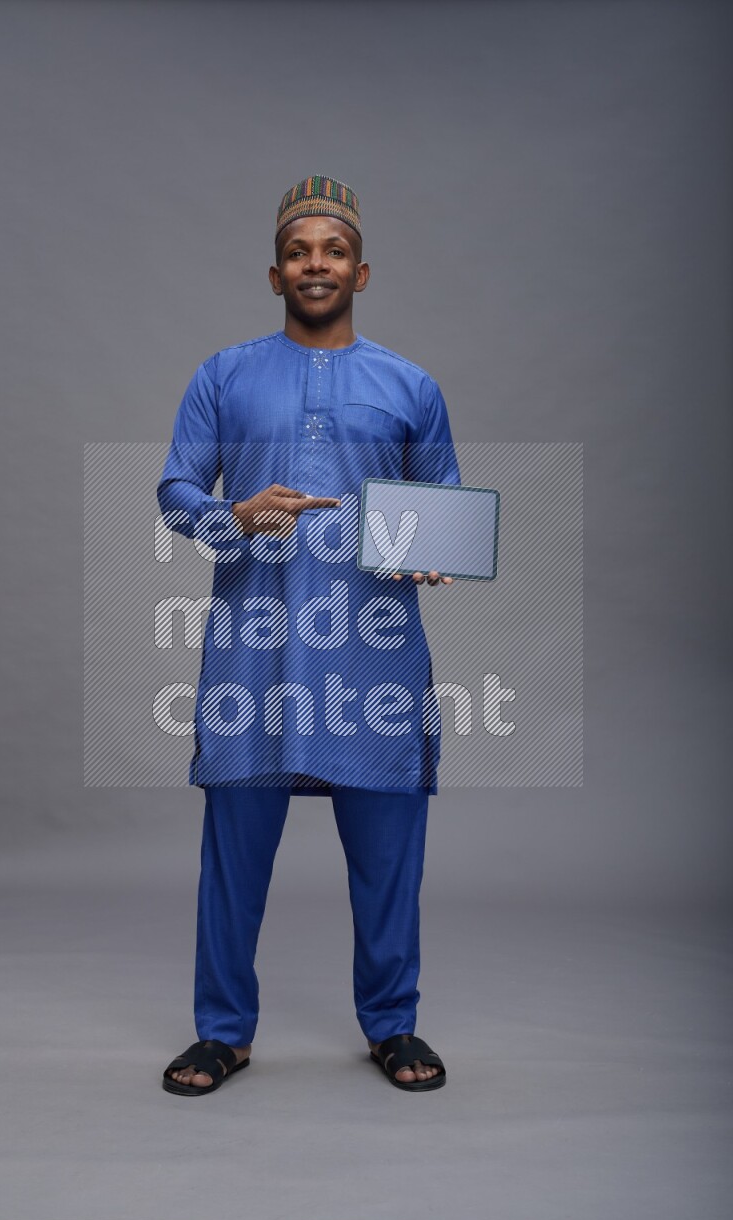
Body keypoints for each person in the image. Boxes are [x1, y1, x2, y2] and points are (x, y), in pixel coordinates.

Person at [158, 175, 460, 1095]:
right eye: (298, 252)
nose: (315, 264)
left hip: (372, 654)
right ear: (275, 273)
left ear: (360, 271)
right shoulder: (224, 374)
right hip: (255, 653)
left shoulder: (410, 384)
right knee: (233, 855)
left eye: (331, 251)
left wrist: (433, 549)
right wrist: (235, 515)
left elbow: (444, 503)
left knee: (388, 854)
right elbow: (175, 494)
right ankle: (222, 1031)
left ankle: (393, 1025)